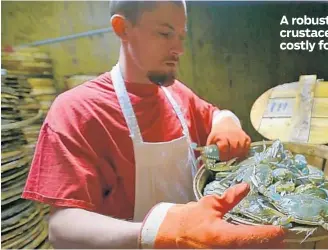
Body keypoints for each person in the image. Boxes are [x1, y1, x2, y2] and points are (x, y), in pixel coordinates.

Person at [22, 0, 286, 248]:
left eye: (181, 36)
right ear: (122, 28)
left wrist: (227, 121)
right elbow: (61, 227)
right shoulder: (77, 110)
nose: (179, 49)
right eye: (164, 34)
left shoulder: (177, 96)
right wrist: (154, 231)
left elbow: (216, 114)